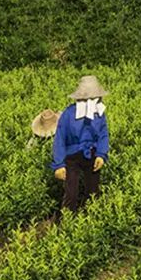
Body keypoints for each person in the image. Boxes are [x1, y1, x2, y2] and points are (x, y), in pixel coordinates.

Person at [51, 75, 110, 211]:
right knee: (71, 193)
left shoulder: (99, 113)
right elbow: (60, 139)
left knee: (93, 192)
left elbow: (103, 134)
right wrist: (59, 165)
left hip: (91, 154)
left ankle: (90, 220)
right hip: (71, 157)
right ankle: (66, 224)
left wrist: (101, 154)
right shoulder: (69, 114)